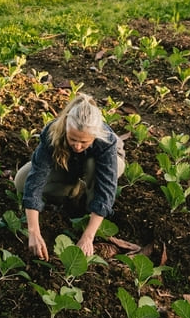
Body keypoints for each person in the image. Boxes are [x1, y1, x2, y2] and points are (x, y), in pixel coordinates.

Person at [14, 92, 126, 259]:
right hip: (69, 164)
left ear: (94, 136)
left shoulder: (105, 140)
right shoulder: (53, 132)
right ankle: (72, 191)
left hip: (102, 165)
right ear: (66, 125)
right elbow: (36, 180)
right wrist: (34, 232)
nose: (78, 146)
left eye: (84, 142)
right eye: (73, 139)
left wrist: (88, 237)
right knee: (21, 180)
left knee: (91, 165)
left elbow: (106, 191)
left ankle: (87, 208)